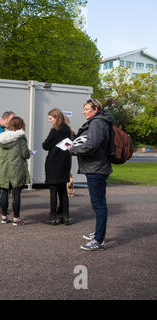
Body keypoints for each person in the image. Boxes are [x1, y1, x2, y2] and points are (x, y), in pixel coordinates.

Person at [67, 99, 113, 251]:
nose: (84, 111)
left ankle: (99, 239)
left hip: (96, 168)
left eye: (87, 109)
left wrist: (72, 150)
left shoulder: (97, 123)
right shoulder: (99, 122)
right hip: (96, 167)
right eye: (84, 109)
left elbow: (92, 145)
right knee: (99, 203)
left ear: (95, 109)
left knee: (98, 204)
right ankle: (99, 233)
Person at [0, 116, 30, 225]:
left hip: (4, 169)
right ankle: (16, 219)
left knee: (4, 193)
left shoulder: (0, 138)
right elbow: (25, 154)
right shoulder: (21, 138)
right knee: (16, 194)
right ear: (21, 125)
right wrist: (28, 152)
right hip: (16, 168)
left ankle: (4, 217)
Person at [42, 108, 74, 225]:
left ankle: (53, 217)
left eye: (51, 118)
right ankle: (65, 216)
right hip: (65, 162)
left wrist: (47, 144)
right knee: (63, 191)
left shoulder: (55, 130)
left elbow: (45, 145)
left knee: (54, 191)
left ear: (56, 118)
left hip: (54, 162)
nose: (50, 121)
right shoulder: (69, 130)